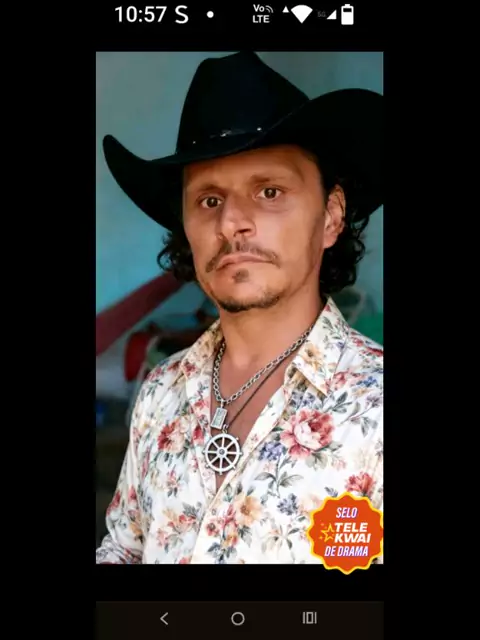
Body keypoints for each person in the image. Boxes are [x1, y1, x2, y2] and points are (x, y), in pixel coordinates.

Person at [96, 51, 383, 564]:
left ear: (331, 216)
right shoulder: (161, 390)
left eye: (269, 191)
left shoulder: (376, 406)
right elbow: (124, 548)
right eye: (208, 200)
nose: (230, 223)